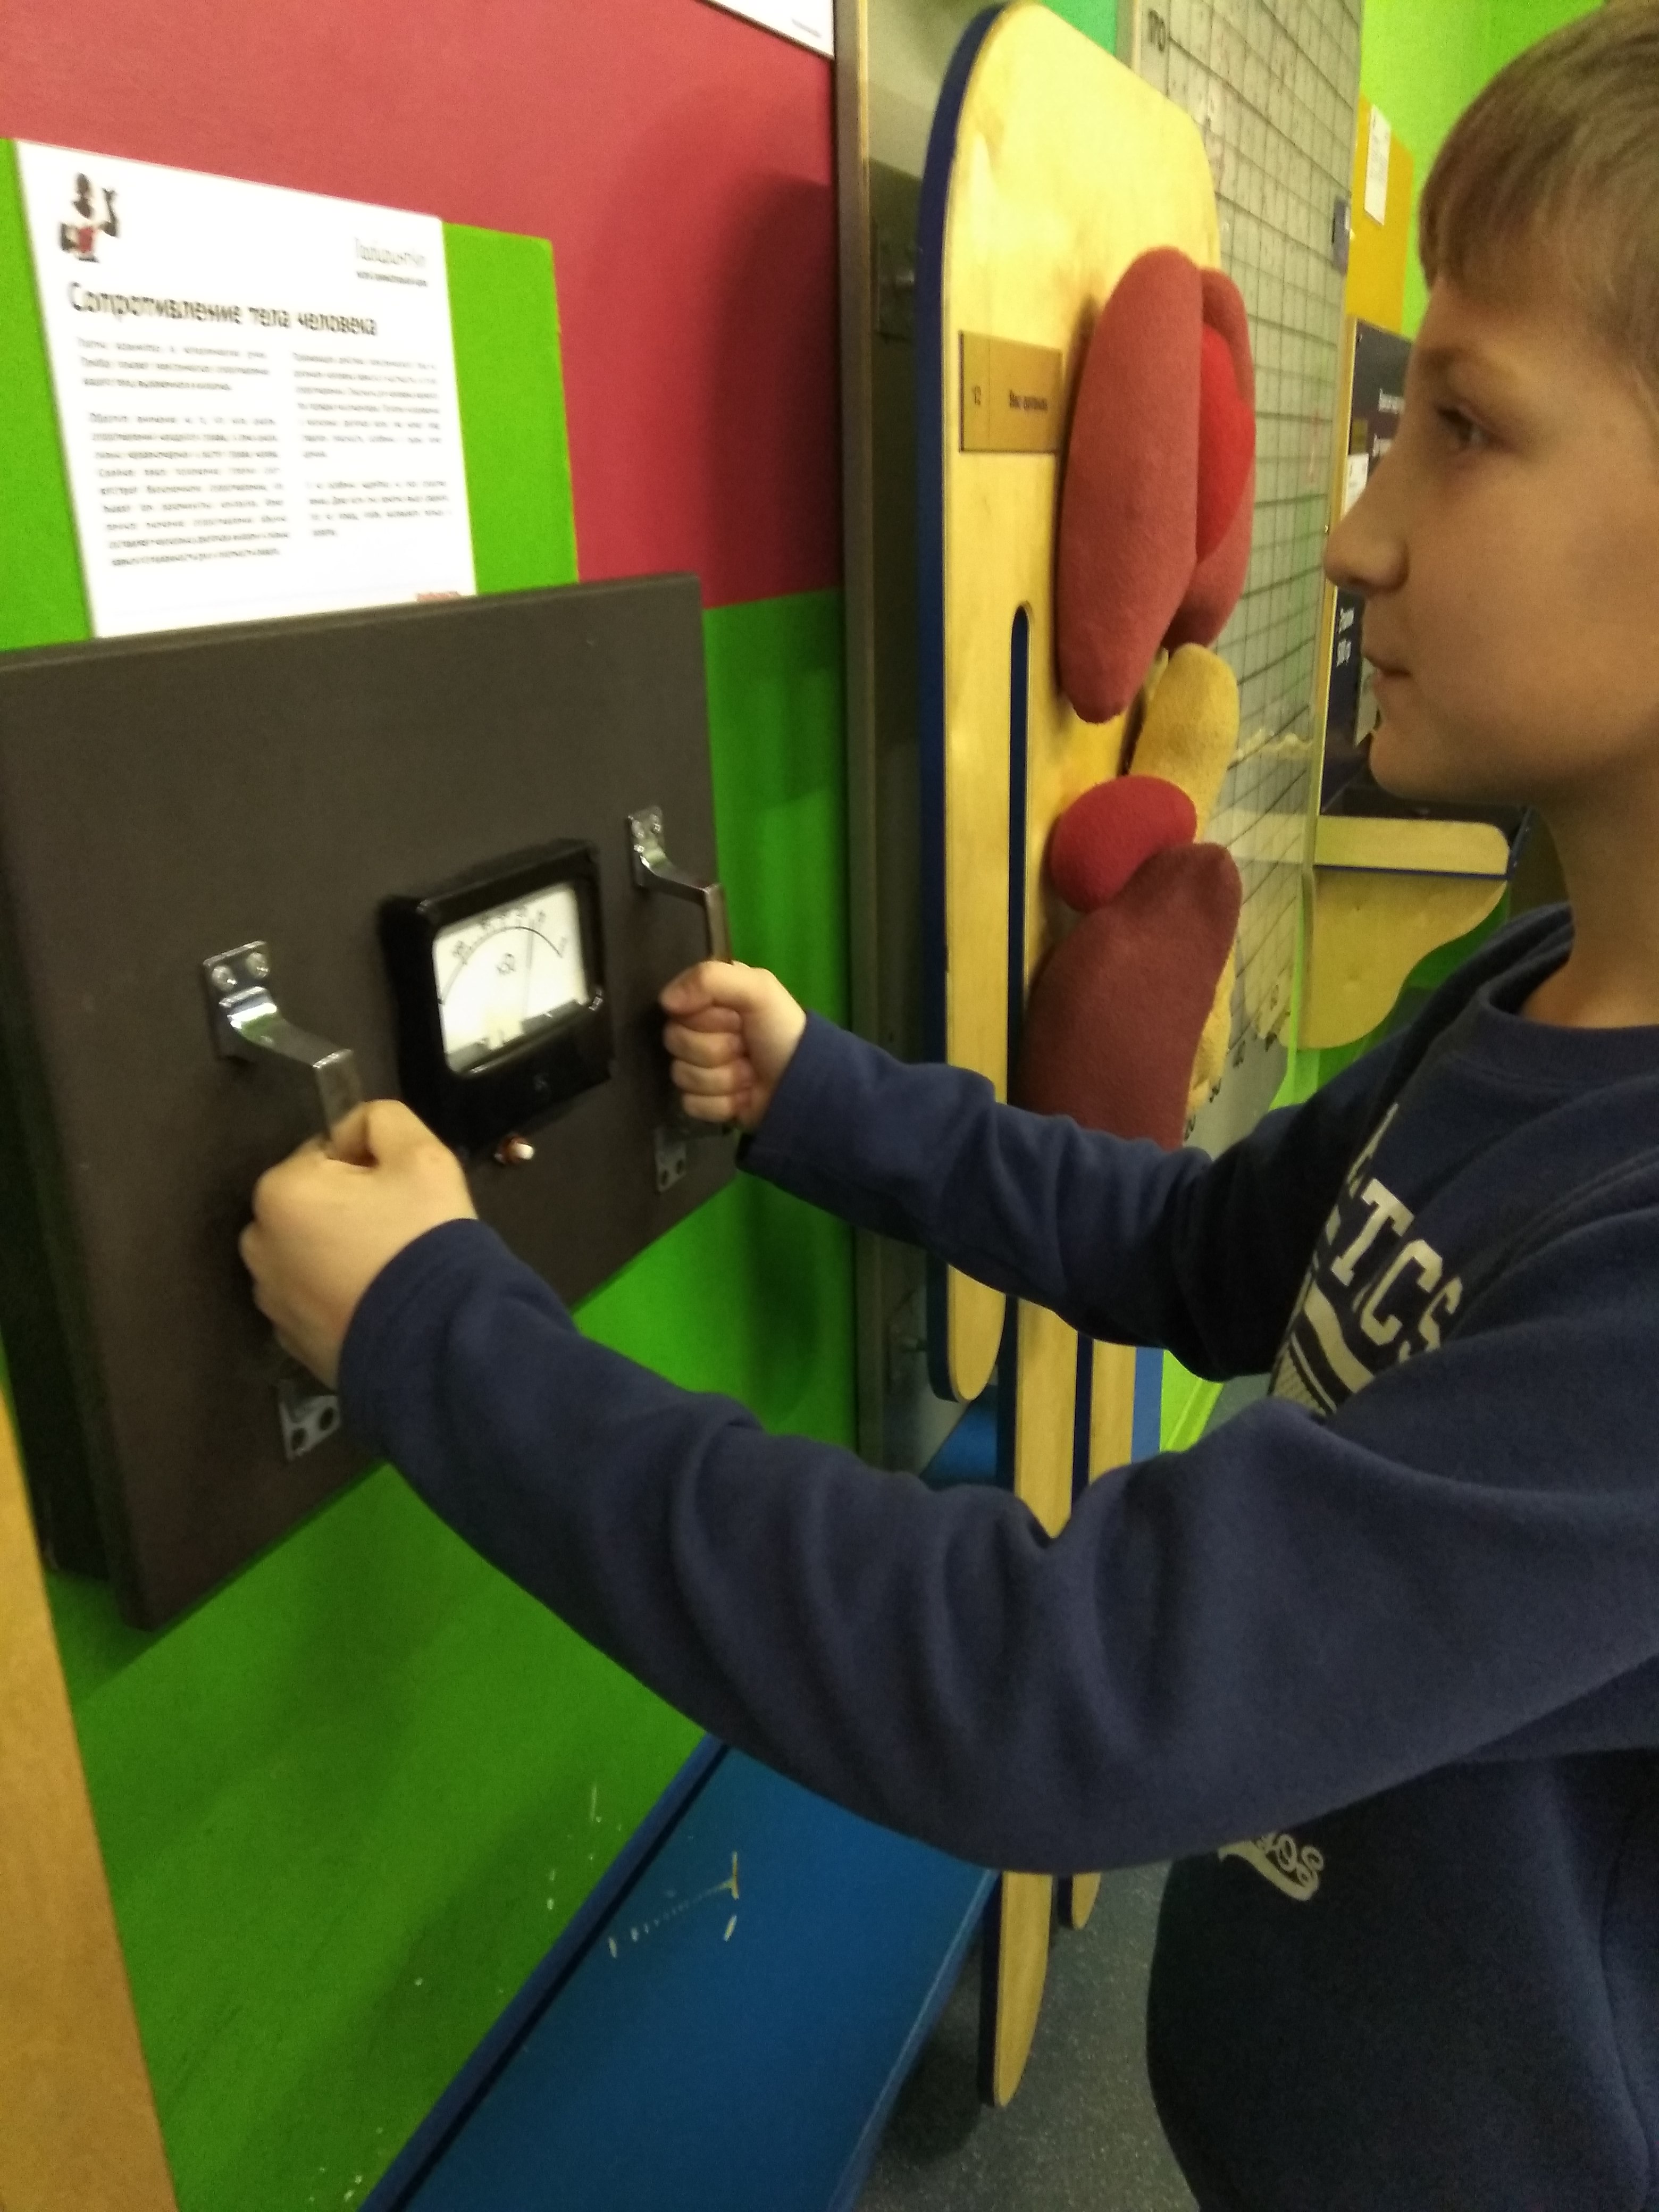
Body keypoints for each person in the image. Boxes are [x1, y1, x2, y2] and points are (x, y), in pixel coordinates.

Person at [240, 11, 1659, 2206]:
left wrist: (433, 1325)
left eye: (1464, 429)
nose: (1361, 537)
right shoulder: (1527, 992)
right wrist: (828, 1097)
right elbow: (1202, 1248)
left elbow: (1047, 1690)